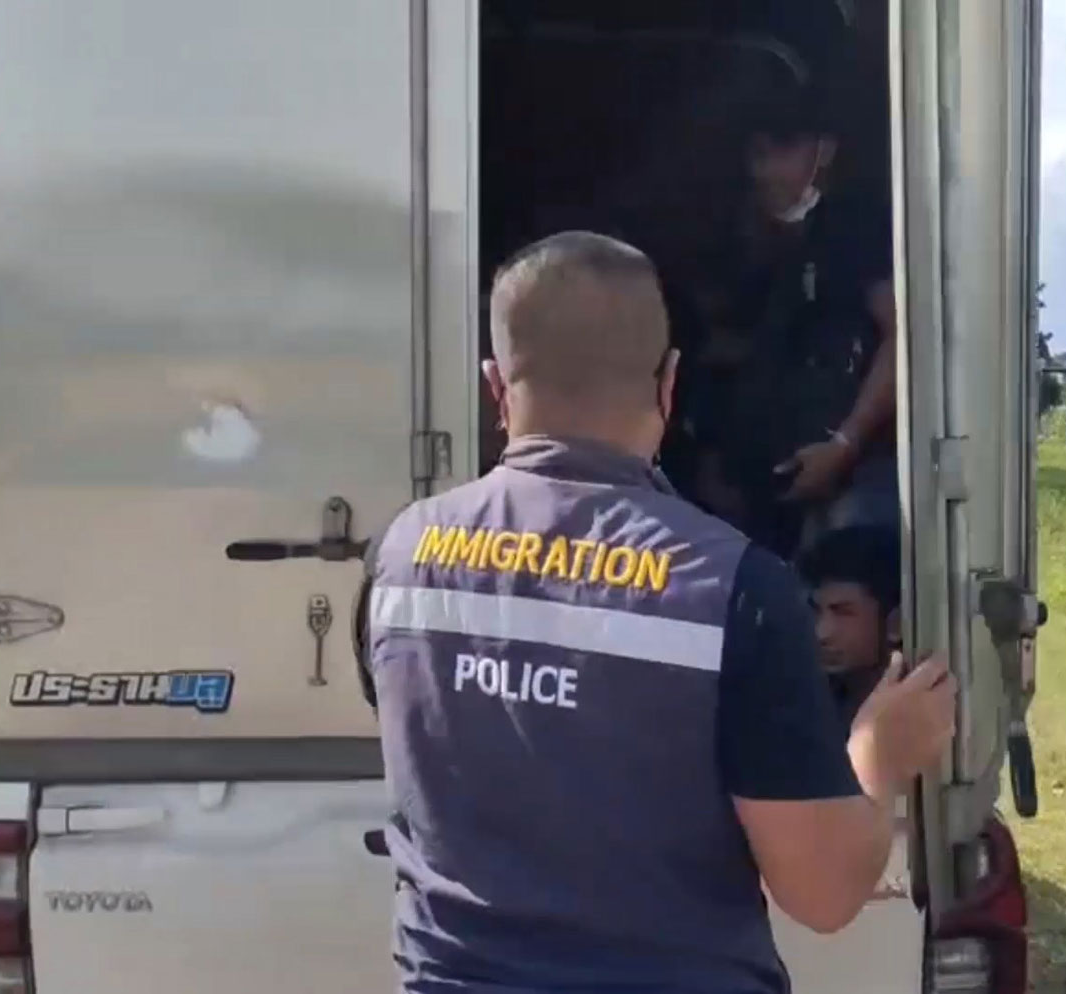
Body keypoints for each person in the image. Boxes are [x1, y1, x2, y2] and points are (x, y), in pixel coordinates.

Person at [354, 231, 955, 992]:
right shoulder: (736, 589)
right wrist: (878, 754)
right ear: (670, 385)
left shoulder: (399, 556)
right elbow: (826, 893)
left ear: (494, 387)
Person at [689, 84, 899, 559]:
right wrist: (714, 458)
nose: (763, 172)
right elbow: (736, 351)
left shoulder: (854, 230)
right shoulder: (761, 247)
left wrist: (844, 446)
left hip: (851, 484)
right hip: (766, 491)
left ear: (824, 151)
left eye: (780, 153)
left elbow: (900, 336)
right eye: (756, 155)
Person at [800, 524, 904, 734]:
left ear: (895, 623)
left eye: (843, 613)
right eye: (816, 611)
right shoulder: (809, 709)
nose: (821, 634)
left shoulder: (920, 714)